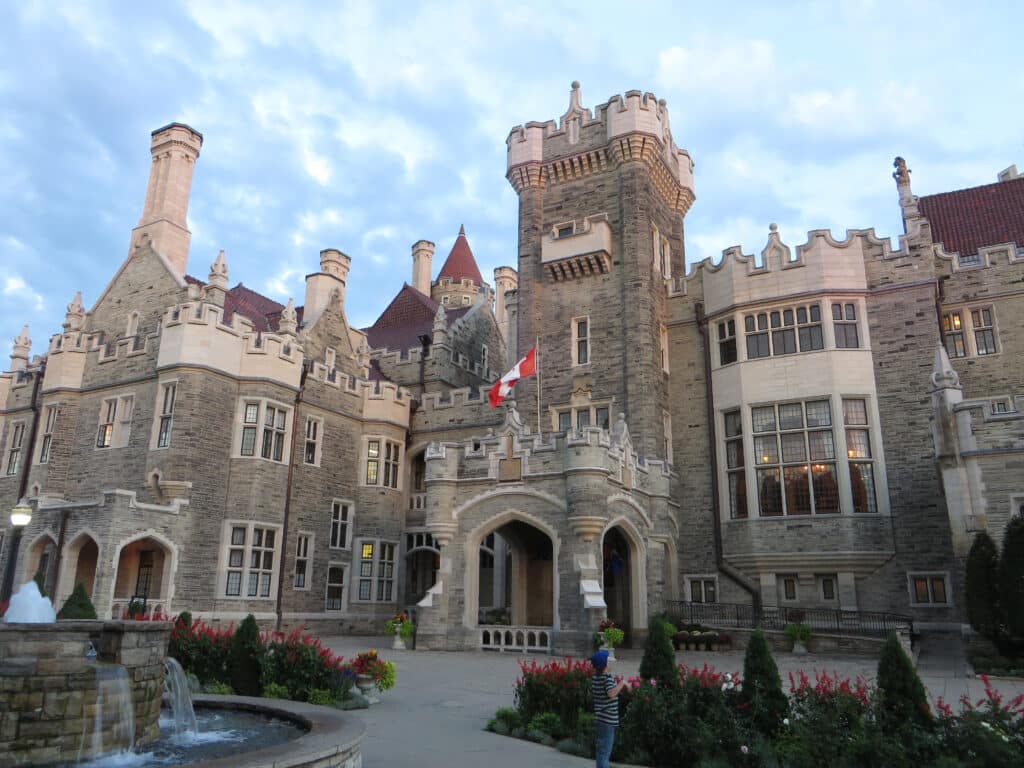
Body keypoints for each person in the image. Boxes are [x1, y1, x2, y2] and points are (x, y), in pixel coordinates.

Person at [590, 649, 626, 768]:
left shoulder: (595, 678)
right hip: (608, 721)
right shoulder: (606, 678)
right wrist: (622, 683)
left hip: (600, 719)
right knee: (604, 753)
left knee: (601, 752)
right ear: (605, 665)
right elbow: (611, 693)